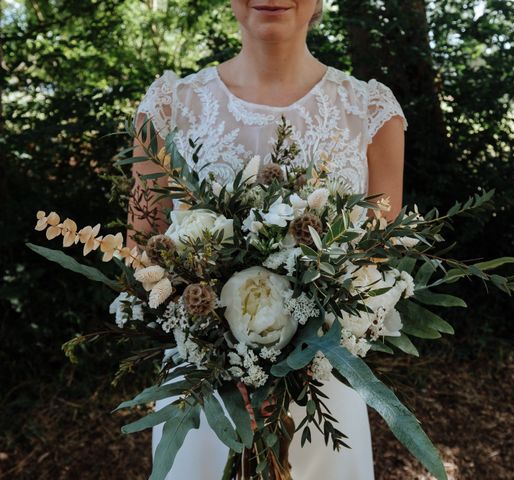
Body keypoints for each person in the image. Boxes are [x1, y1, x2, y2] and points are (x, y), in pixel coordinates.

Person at [127, 1, 408, 478]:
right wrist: (212, 338)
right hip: (203, 397)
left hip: (324, 396)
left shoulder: (370, 110)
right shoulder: (170, 106)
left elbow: (378, 266)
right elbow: (141, 253)